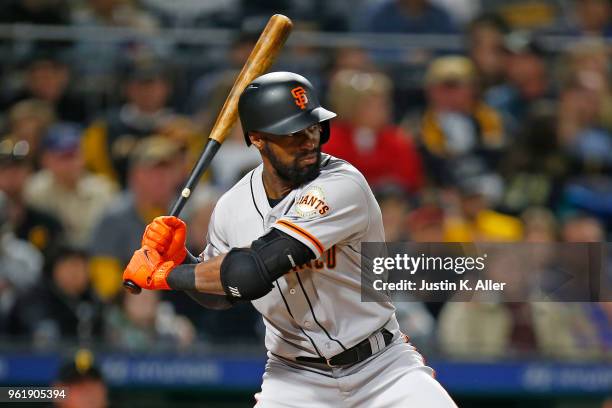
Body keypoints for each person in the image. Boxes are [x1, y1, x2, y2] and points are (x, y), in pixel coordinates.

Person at [122, 72, 456, 407]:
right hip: (294, 382)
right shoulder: (231, 207)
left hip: (382, 371)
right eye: (291, 134)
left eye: (313, 128)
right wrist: (183, 261)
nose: (308, 141)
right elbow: (224, 295)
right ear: (257, 139)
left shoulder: (342, 184)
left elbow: (253, 272)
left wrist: (165, 275)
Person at [88, 136, 185, 300]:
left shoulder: (184, 215)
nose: (161, 177)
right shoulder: (115, 218)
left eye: (167, 169)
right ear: (135, 176)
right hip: (129, 305)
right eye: (153, 170)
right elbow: (106, 285)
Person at [24, 123, 118, 245]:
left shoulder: (104, 189)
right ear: (46, 159)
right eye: (63, 157)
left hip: (94, 256)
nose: (70, 163)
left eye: (74, 155)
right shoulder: (34, 189)